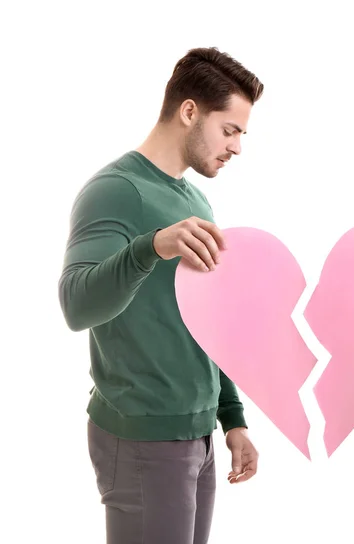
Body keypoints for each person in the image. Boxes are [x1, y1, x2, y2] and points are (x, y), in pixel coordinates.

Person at [58, 47, 264, 544]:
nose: (237, 147)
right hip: (142, 436)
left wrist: (231, 417)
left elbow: (207, 318)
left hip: (198, 433)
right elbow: (75, 305)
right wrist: (149, 247)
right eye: (230, 129)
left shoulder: (194, 198)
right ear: (189, 111)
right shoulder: (114, 190)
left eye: (242, 133)